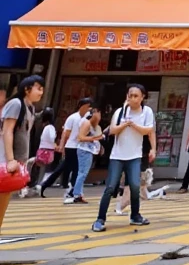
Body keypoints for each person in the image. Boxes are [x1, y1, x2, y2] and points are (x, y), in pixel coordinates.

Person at [92, 85, 155, 232]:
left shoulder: (146, 112)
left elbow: (148, 130)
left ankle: (135, 215)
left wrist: (133, 125)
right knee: (110, 187)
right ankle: (100, 219)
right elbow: (113, 130)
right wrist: (125, 122)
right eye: (130, 95)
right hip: (117, 156)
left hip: (135, 156)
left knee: (134, 185)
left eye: (136, 96)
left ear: (142, 97)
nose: (132, 98)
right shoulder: (120, 112)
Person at [1, 76, 44, 232]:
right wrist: (10, 159)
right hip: (4, 161)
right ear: (27, 89)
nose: (41, 92)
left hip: (14, 162)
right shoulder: (16, 104)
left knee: (4, 201)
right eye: (38, 88)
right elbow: (7, 131)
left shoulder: (30, 107)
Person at [38, 97, 92, 199]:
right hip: (71, 147)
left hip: (79, 147)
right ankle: (71, 191)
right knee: (75, 169)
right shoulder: (73, 117)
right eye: (88, 107)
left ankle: (46, 185)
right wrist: (62, 146)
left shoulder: (86, 119)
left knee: (64, 169)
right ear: (82, 106)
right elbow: (65, 133)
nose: (89, 110)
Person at [71, 108, 104, 204]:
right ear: (93, 113)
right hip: (84, 151)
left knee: (82, 173)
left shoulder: (95, 126)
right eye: (98, 113)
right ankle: (76, 194)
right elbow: (80, 137)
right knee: (82, 173)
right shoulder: (87, 123)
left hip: (89, 151)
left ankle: (79, 194)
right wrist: (94, 138)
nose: (99, 116)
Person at [26, 108, 56, 193]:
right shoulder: (50, 127)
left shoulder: (47, 127)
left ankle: (35, 183)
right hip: (46, 151)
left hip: (43, 150)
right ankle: (38, 183)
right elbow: (51, 138)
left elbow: (50, 138)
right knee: (40, 166)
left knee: (35, 165)